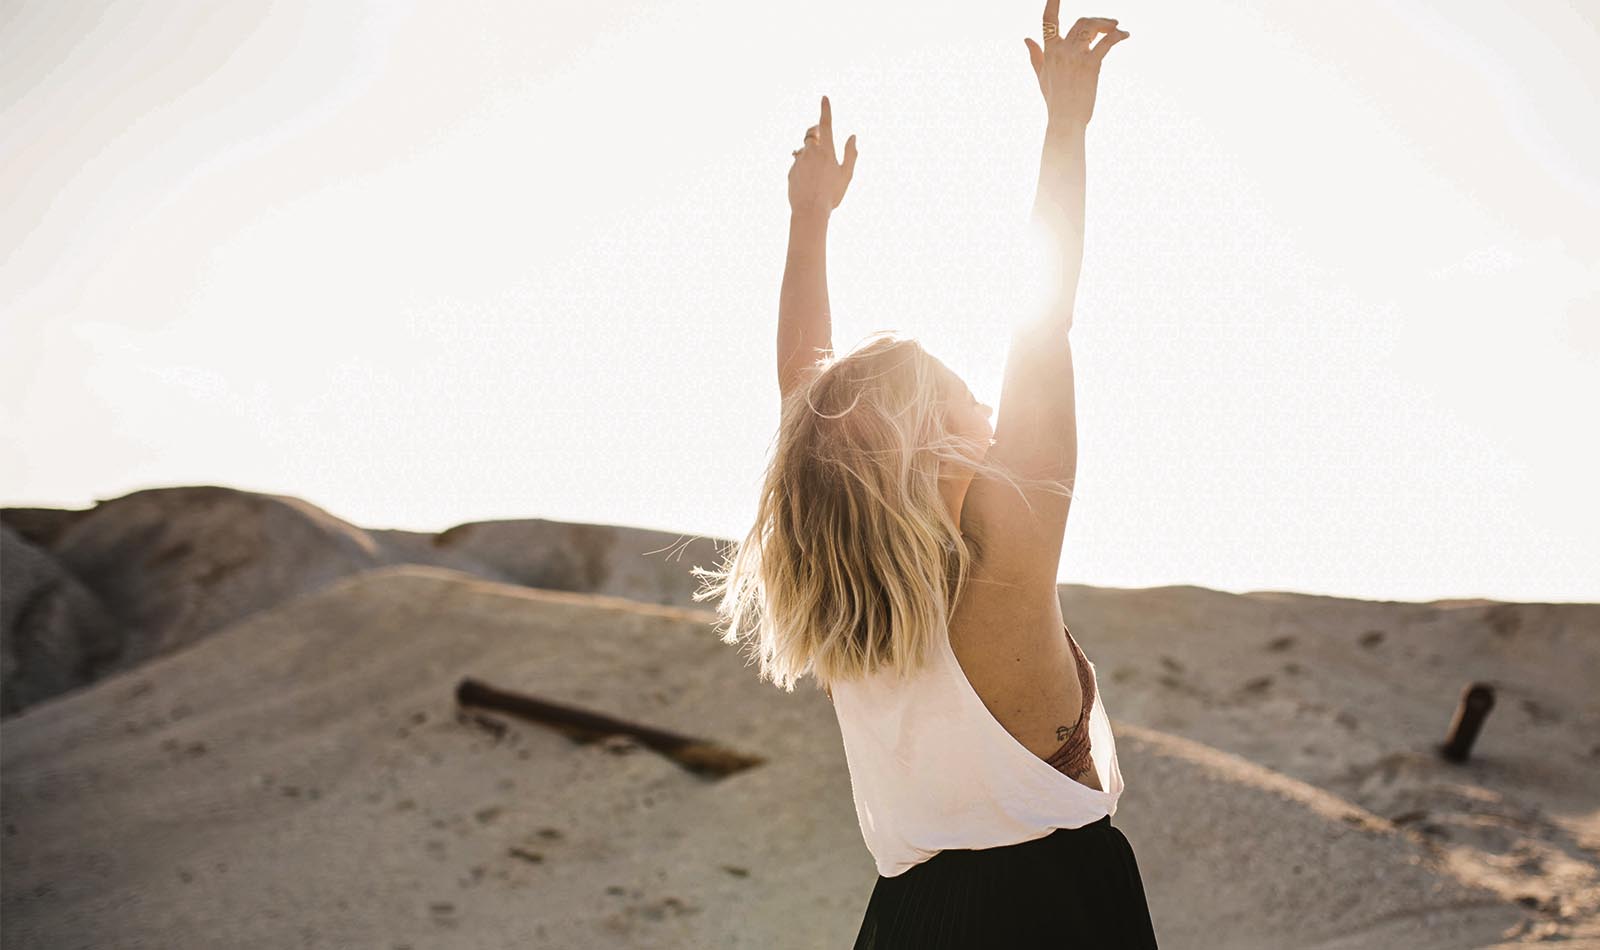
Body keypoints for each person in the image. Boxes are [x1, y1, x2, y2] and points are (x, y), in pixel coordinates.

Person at [693, 4, 1156, 946]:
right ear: (929, 437)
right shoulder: (1005, 550)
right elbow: (1045, 325)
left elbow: (804, 403)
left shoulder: (852, 601)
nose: (990, 412)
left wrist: (809, 220)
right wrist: (1066, 128)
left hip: (906, 917)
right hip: (1058, 911)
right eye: (966, 400)